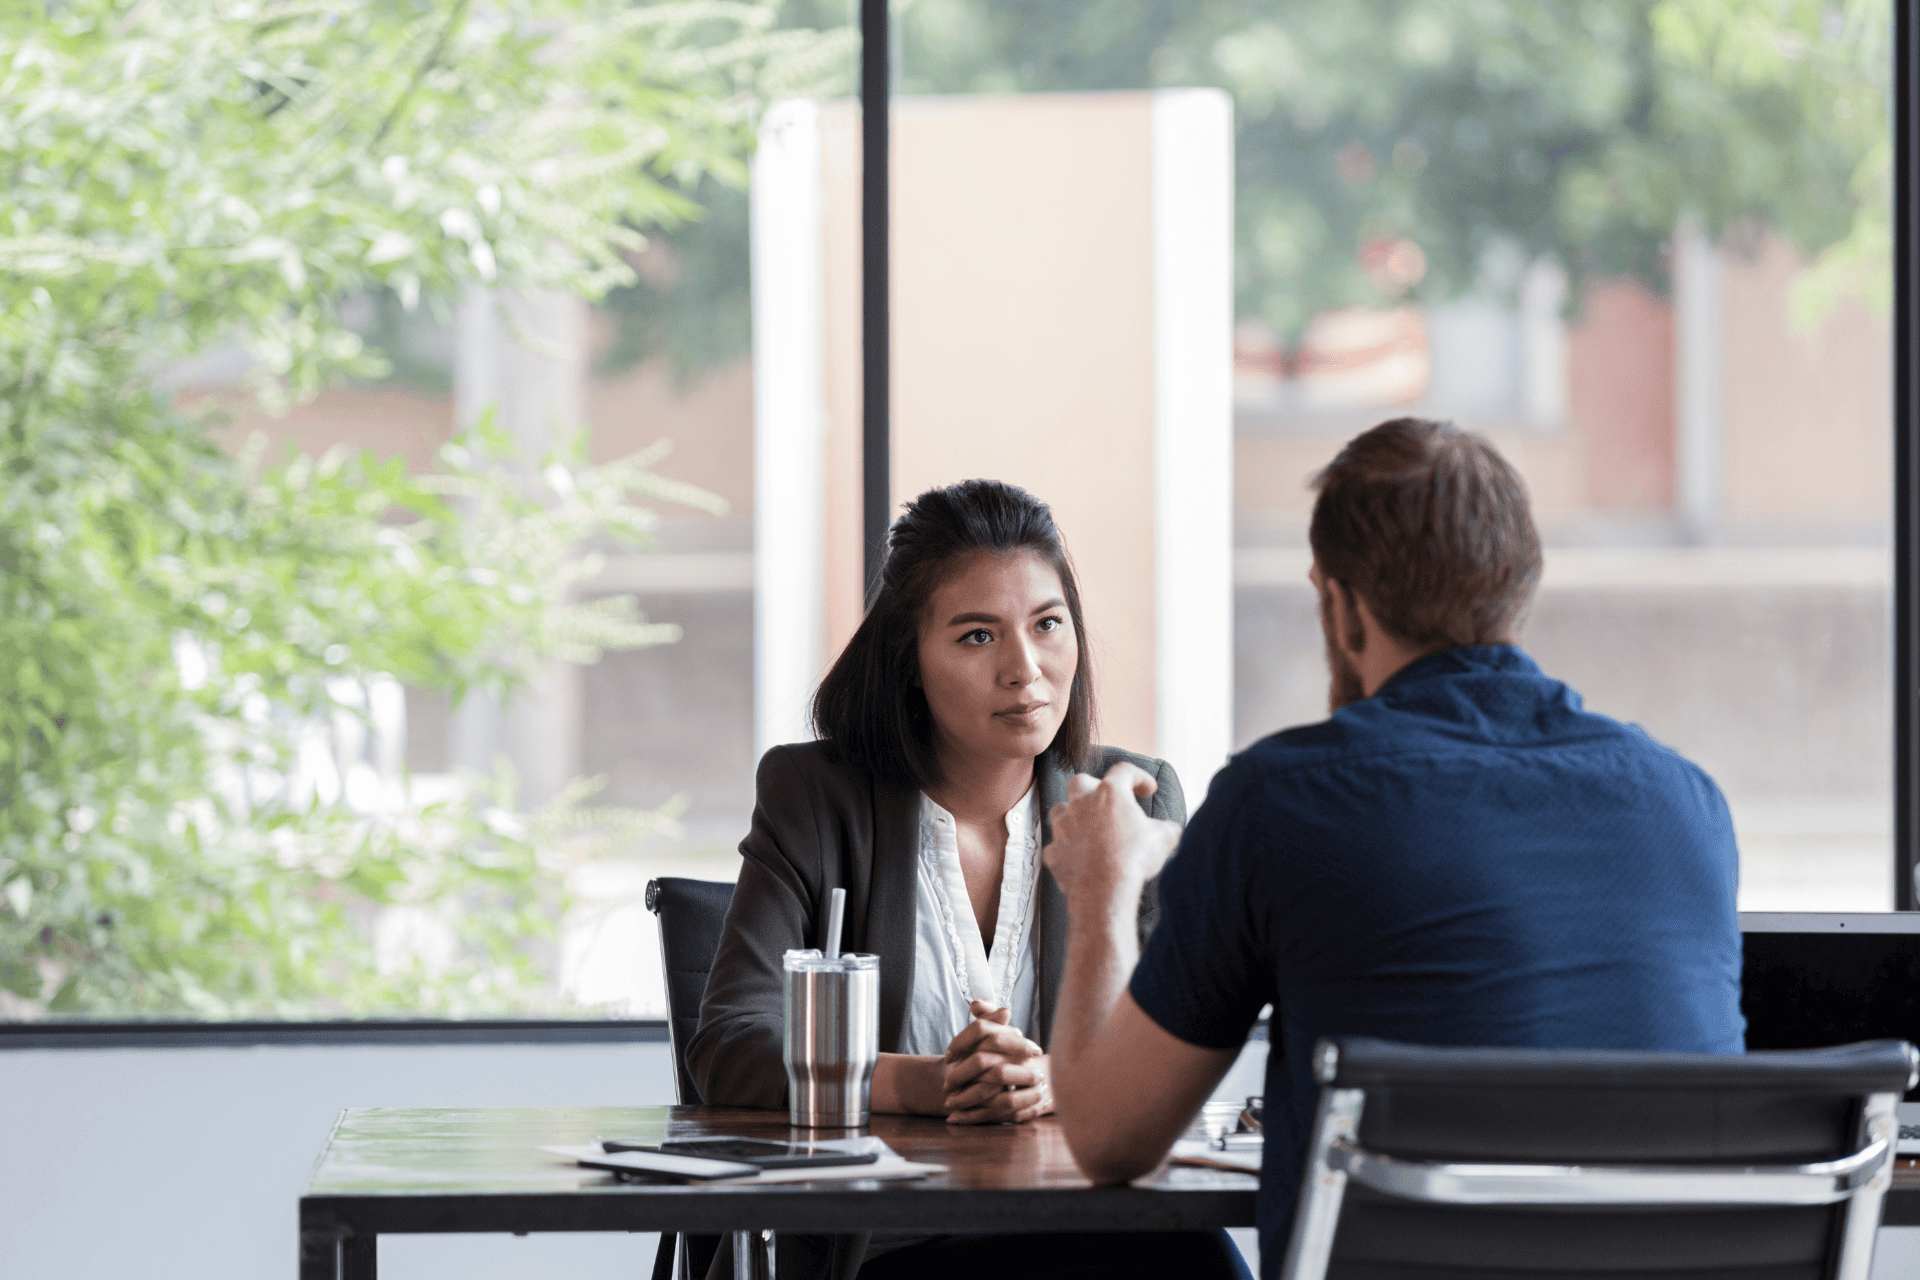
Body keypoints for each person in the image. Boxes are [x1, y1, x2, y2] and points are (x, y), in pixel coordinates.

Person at [1040, 418, 1746, 1278]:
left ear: (1341, 606)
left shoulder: (1281, 802)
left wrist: (1104, 887)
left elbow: (1108, 1138)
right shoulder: (1688, 806)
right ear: (1518, 588)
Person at [689, 478, 1250, 1280]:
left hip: (1083, 1228)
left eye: (1048, 625)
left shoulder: (1131, 800)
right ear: (909, 660)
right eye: (978, 636)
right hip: (880, 1248)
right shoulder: (814, 796)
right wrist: (928, 1085)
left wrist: (1057, 1081)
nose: (1026, 670)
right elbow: (731, 1043)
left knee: (1197, 1258)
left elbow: (1168, 1053)